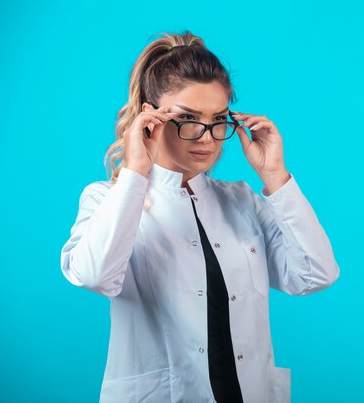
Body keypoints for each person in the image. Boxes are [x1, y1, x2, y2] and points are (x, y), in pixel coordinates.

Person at [60, 30, 340, 403]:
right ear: (150, 116)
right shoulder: (108, 198)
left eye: (218, 119)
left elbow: (315, 274)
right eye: (187, 118)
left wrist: (276, 177)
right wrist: (136, 172)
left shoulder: (241, 200)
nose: (206, 138)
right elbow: (95, 275)